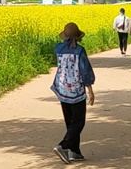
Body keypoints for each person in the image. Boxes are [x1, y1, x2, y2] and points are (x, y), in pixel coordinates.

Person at [51, 22, 95, 164]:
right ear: (77, 36)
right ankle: (63, 146)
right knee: (78, 122)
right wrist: (90, 90)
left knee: (70, 121)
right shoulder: (80, 50)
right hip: (76, 90)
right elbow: (85, 70)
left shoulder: (58, 48)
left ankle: (74, 152)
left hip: (62, 88)